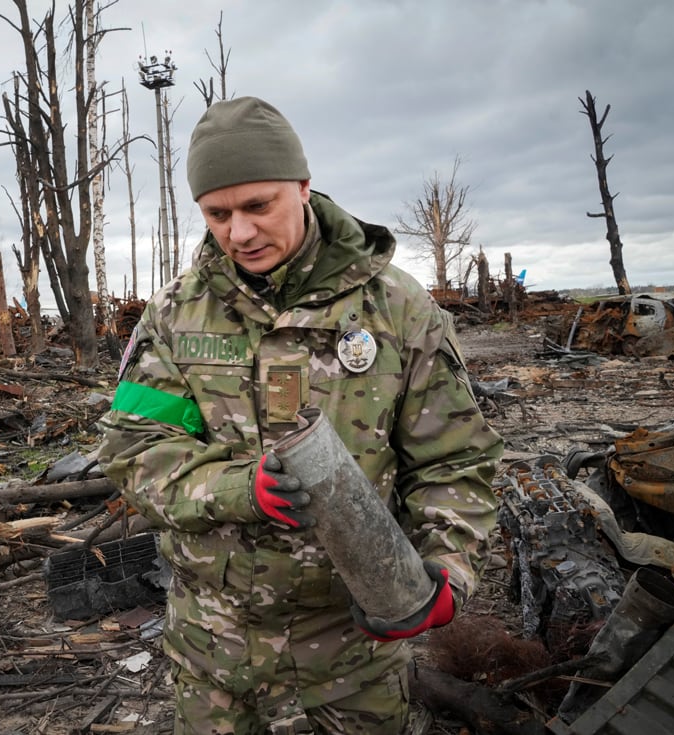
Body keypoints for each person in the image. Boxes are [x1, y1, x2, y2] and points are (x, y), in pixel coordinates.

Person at [97, 96, 503, 735]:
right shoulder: (176, 316)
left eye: (259, 206)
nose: (240, 233)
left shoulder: (396, 309)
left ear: (304, 188)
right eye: (218, 214)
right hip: (214, 656)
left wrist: (447, 565)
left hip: (353, 656)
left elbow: (454, 459)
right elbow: (134, 448)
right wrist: (238, 489)